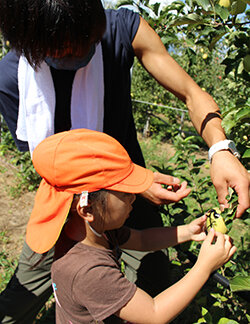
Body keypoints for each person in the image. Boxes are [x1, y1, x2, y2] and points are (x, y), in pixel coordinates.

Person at [0, 0, 248, 323]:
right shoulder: (12, 79)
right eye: (67, 50)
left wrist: (220, 148)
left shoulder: (119, 32)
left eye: (88, 41)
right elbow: (47, 163)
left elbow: (191, 93)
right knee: (18, 304)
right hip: (69, 211)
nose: (83, 52)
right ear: (35, 43)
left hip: (129, 192)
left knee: (154, 279)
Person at [26, 128, 236, 324]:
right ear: (87, 209)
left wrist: (188, 231)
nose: (134, 198)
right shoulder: (88, 271)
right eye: (125, 194)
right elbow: (154, 313)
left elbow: (142, 240)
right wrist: (204, 266)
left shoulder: (95, 231)